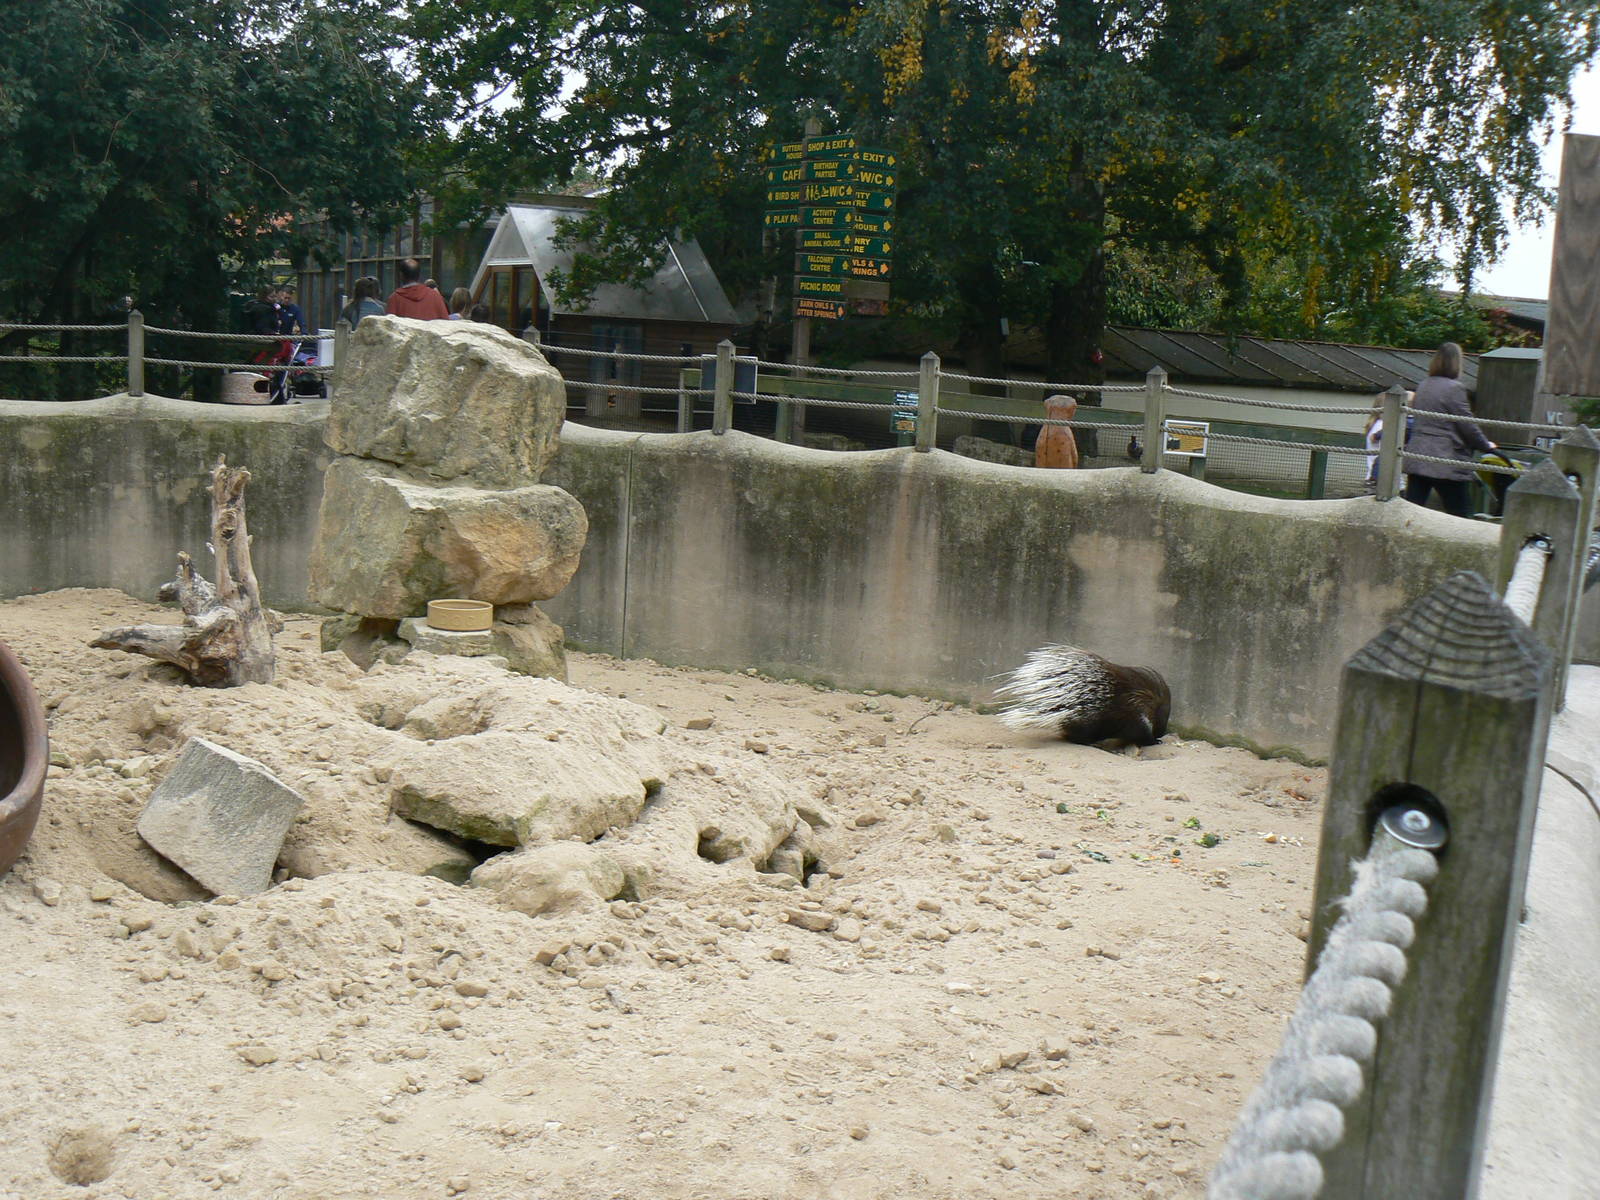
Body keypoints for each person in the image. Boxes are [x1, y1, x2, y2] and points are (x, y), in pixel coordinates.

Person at [1402, 342, 1494, 518]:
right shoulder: (1455, 388)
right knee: (1461, 514)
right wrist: (1486, 446)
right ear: (1457, 363)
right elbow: (1466, 423)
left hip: (1419, 456)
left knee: (1411, 510)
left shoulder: (1423, 385)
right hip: (1445, 459)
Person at [385, 259, 450, 319]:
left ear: (401, 275)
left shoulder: (394, 299)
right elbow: (445, 323)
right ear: (419, 275)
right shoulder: (435, 296)